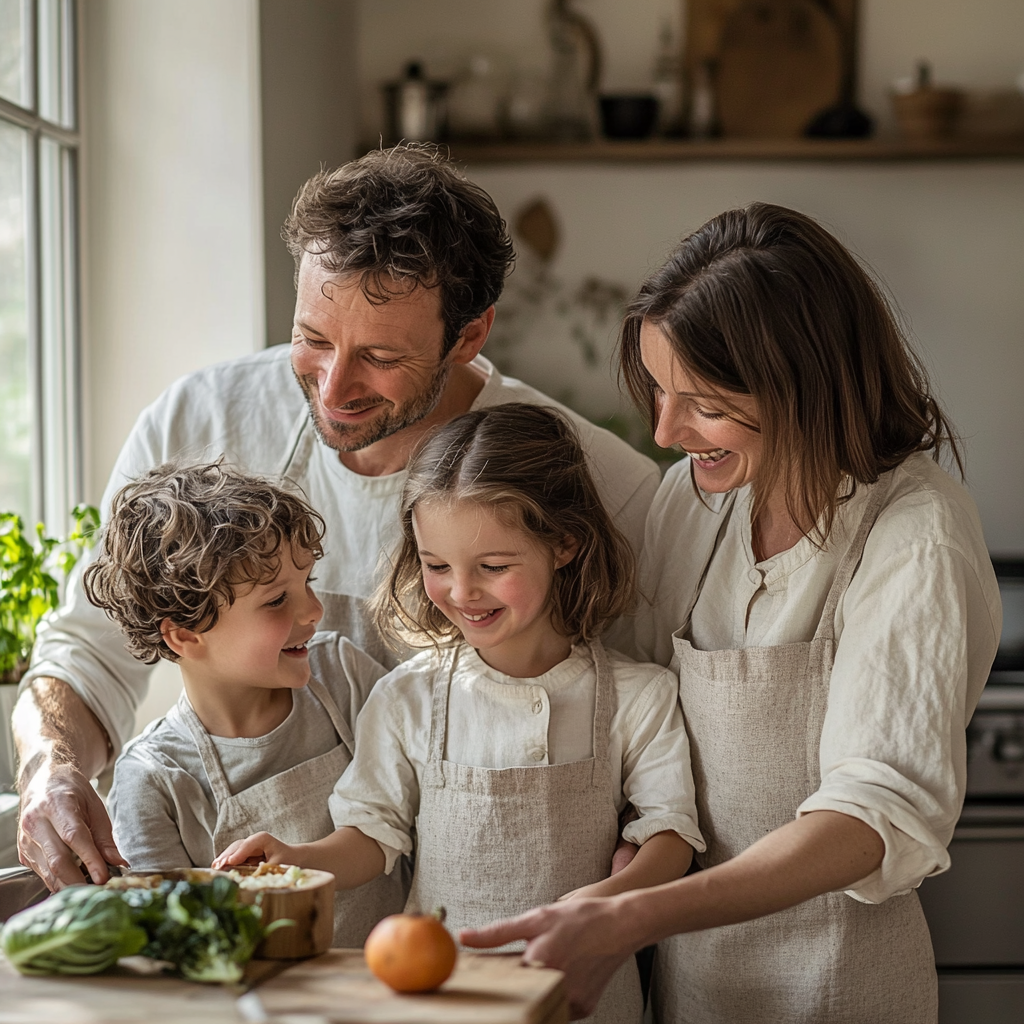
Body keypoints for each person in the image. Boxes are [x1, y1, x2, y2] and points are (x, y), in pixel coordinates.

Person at [14, 144, 660, 891]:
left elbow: (650, 720)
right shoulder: (201, 419)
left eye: (381, 356)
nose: (333, 387)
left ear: (470, 336)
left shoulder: (593, 480)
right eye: (313, 339)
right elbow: (86, 656)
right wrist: (47, 766)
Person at [461, 204, 1002, 1023]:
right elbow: (629, 692)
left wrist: (631, 915)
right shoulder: (696, 501)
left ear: (803, 386)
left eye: (703, 404)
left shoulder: (913, 533)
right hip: (697, 985)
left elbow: (872, 816)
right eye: (660, 392)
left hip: (839, 985)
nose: (667, 430)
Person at [214, 404, 703, 1023]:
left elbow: (670, 837)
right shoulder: (406, 697)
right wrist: (295, 860)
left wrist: (600, 906)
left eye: (493, 568)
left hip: (589, 999)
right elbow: (371, 836)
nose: (462, 593)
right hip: (437, 998)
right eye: (436, 566)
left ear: (564, 543)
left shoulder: (641, 696)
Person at [83, 461, 405, 945]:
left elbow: (403, 815)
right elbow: (171, 940)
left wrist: (303, 862)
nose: (314, 611)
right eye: (277, 600)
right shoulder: (152, 779)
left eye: (308, 584)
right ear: (185, 633)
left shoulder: (343, 675)